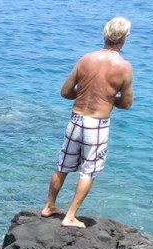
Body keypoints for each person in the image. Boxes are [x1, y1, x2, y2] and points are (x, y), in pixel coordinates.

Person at [41, 17, 135, 228]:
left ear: (105, 34)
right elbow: (127, 103)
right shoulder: (124, 67)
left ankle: (49, 206)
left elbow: (66, 92)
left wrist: (86, 93)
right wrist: (108, 97)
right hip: (97, 124)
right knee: (89, 171)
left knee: (62, 166)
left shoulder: (86, 59)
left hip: (76, 120)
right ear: (124, 38)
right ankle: (70, 216)